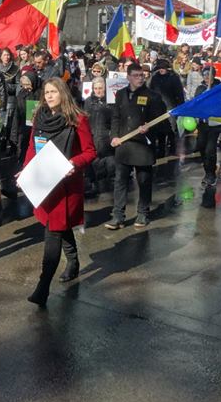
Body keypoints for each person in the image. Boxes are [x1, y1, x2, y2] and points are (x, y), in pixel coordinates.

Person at [23, 78, 96, 307]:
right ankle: (73, 262)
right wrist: (25, 172)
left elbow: (90, 152)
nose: (49, 96)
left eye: (53, 92)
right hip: (44, 184)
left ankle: (42, 288)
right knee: (57, 227)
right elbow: (32, 148)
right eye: (46, 92)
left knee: (53, 232)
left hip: (66, 186)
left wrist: (72, 164)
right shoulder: (39, 118)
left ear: (62, 93)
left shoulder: (78, 119)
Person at [106, 63, 167, 229]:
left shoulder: (152, 96)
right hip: (124, 144)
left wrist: (150, 126)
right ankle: (118, 215)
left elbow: (161, 121)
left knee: (144, 181)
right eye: (136, 75)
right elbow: (116, 118)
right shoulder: (120, 94)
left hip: (142, 146)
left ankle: (143, 213)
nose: (140, 78)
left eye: (142, 75)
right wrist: (114, 136)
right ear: (128, 77)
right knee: (120, 181)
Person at [193, 67, 221, 207]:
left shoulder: (219, 87)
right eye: (204, 74)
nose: (206, 77)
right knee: (201, 146)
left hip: (215, 124)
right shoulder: (200, 88)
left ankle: (211, 174)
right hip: (202, 123)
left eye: (209, 74)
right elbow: (195, 103)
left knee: (210, 149)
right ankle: (207, 170)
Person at [83, 77, 113, 198]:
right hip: (92, 134)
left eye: (100, 88)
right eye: (96, 88)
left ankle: (109, 184)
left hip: (106, 135)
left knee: (110, 163)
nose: (98, 91)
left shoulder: (111, 101)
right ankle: (93, 185)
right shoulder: (89, 101)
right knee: (92, 162)